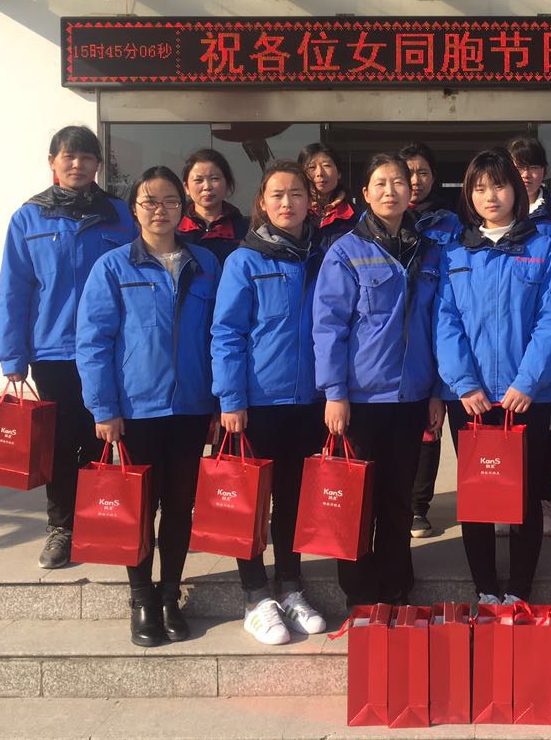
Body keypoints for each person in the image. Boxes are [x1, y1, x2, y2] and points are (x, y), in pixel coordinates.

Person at [77, 166, 219, 647]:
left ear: (184, 207)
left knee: (179, 506)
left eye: (170, 201)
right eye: (149, 201)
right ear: (134, 209)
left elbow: (218, 335)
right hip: (136, 410)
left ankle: (170, 594)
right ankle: (141, 598)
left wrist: (220, 399)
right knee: (137, 508)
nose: (160, 210)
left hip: (192, 407)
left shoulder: (204, 263)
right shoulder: (113, 267)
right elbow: (93, 342)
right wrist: (103, 408)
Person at [0, 125, 135, 570]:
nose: (77, 164)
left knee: (105, 436)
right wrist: (12, 354)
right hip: (54, 351)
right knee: (60, 442)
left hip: (113, 348)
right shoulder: (28, 218)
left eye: (86, 157)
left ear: (98, 165)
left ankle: (100, 520)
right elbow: (14, 289)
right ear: (52, 162)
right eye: (68, 157)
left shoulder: (119, 215)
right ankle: (62, 528)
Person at [436, 148, 551, 605]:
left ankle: (518, 590)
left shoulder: (544, 249)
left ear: (516, 189)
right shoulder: (455, 252)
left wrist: (528, 382)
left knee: (526, 497)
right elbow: (445, 321)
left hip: (527, 397)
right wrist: (464, 383)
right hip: (470, 398)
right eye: (479, 188)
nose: (490, 196)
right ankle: (486, 589)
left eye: (498, 185)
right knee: (478, 496)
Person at [313, 153, 443, 608]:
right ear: (365, 194)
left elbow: (438, 324)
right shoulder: (345, 252)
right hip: (361, 400)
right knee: (356, 501)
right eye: (381, 183)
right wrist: (334, 393)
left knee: (397, 498)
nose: (391, 191)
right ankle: (359, 592)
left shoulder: (429, 251)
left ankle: (396, 585)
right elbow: (328, 326)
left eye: (399, 182)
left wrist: (437, 391)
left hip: (411, 398)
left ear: (411, 192)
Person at [211, 160, 328, 645]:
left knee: (294, 502)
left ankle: (292, 587)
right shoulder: (245, 261)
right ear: (262, 202)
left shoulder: (324, 256)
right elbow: (227, 333)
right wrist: (231, 399)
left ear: (309, 201)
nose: (287, 202)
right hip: (257, 404)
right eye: (277, 194)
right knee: (250, 505)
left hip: (309, 402)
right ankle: (256, 597)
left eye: (296, 193)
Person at [508, 134, 551, 536]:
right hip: (515, 331)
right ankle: (508, 498)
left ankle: (544, 500)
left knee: (548, 420)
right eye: (517, 167)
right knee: (509, 421)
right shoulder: (497, 211)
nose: (525, 174)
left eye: (532, 166)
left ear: (544, 171)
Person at [399, 142, 459, 540]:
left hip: (438, 327)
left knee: (430, 424)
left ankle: (419, 506)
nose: (415, 180)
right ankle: (398, 501)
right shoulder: (378, 220)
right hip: (399, 338)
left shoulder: (449, 222)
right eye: (407, 173)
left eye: (422, 172)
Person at [177, 148, 249, 266]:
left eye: (214, 179)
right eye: (198, 180)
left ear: (227, 184)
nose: (207, 187)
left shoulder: (244, 230)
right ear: (186, 187)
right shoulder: (174, 228)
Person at [300, 142, 357, 245]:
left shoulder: (356, 215)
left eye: (326, 165)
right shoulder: (295, 213)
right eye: (312, 167)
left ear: (339, 173)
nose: (320, 173)